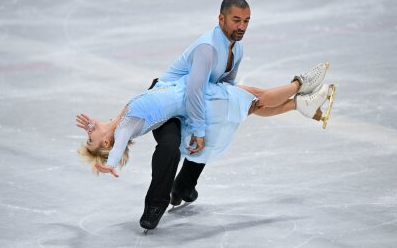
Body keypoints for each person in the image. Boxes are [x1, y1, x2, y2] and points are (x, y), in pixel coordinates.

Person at [76, 62, 336, 229]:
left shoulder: (120, 119)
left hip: (189, 95)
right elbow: (118, 143)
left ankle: (299, 104)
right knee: (255, 97)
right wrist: (109, 164)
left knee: (250, 107)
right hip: (198, 97)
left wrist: (93, 131)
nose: (89, 132)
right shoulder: (124, 129)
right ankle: (301, 83)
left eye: (88, 136)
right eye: (91, 139)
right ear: (107, 142)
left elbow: (108, 130)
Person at [135, 0, 251, 230]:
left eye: (246, 21)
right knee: (170, 146)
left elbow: (224, 87)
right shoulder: (208, 47)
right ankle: (156, 204)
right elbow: (194, 90)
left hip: (191, 99)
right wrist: (198, 128)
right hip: (166, 102)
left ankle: (184, 186)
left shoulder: (236, 49)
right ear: (221, 19)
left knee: (215, 127)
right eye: (236, 20)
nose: (241, 27)